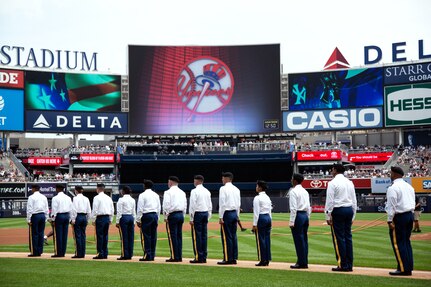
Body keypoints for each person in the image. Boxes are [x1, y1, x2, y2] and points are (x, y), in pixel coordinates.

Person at [324, 163, 357, 272]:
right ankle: (349, 264)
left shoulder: (332, 183)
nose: (331, 172)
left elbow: (330, 201)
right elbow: (354, 200)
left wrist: (327, 215)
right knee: (348, 237)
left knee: (339, 238)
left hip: (338, 210)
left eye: (332, 170)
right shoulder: (349, 182)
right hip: (349, 209)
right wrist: (353, 215)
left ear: (335, 170)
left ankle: (343, 264)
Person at [385, 166, 415, 276]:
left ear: (395, 174)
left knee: (398, 243)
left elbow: (391, 205)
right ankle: (408, 267)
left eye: (391, 173)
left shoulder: (393, 187)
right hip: (409, 215)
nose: (390, 175)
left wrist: (389, 220)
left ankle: (402, 269)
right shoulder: (409, 186)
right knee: (406, 242)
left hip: (399, 217)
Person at [217, 172, 241, 265]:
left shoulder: (223, 189)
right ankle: (234, 257)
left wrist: (220, 216)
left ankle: (227, 258)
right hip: (234, 213)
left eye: (223, 178)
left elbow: (222, 203)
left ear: (227, 179)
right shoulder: (236, 189)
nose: (222, 180)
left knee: (226, 237)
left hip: (227, 213)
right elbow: (238, 204)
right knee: (233, 236)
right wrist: (237, 215)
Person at [289, 173, 311, 269]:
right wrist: (308, 218)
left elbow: (293, 208)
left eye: (292, 178)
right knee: (304, 239)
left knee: (298, 240)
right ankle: (304, 261)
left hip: (298, 215)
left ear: (295, 180)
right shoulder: (305, 191)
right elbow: (309, 207)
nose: (291, 180)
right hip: (305, 215)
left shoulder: (293, 191)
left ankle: (301, 262)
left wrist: (291, 221)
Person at [162, 176, 187, 262]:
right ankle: (179, 256)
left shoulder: (168, 192)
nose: (168, 184)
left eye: (168, 182)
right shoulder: (182, 192)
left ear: (171, 182)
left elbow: (166, 205)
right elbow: (185, 205)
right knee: (179, 236)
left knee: (172, 236)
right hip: (180, 214)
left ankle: (174, 256)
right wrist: (183, 215)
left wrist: (165, 216)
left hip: (173, 215)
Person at [189, 175, 212, 264]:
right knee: (204, 235)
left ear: (197, 181)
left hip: (198, 213)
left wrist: (191, 218)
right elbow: (210, 205)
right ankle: (204, 256)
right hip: (205, 212)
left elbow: (192, 205)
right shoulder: (207, 191)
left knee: (197, 236)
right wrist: (208, 216)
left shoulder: (194, 191)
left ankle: (199, 256)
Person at [137, 180, 161, 261]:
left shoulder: (142, 195)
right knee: (153, 236)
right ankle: (152, 255)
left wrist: (138, 219)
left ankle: (147, 255)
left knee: (146, 236)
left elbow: (140, 208)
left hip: (146, 215)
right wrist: (157, 218)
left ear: (145, 186)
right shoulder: (156, 195)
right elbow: (159, 207)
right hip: (154, 215)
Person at [91, 183, 114, 259]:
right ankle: (105, 253)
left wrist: (93, 219)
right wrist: (111, 219)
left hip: (100, 218)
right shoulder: (108, 198)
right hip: (107, 217)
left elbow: (95, 210)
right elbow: (112, 210)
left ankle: (100, 253)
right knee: (105, 236)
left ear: (98, 189)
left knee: (100, 236)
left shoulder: (96, 198)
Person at [252, 180, 272, 267]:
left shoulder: (257, 198)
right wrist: (270, 220)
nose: (256, 188)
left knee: (261, 239)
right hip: (268, 217)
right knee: (267, 239)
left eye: (257, 186)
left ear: (260, 188)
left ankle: (262, 259)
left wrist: (254, 224)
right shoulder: (267, 197)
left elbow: (256, 212)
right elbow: (270, 210)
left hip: (261, 218)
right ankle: (267, 259)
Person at [50, 184, 72, 257]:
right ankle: (63, 252)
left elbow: (54, 210)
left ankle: (58, 253)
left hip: (59, 216)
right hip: (66, 215)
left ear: (58, 189)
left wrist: (53, 219)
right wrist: (70, 218)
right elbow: (71, 208)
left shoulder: (55, 198)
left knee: (58, 235)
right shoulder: (68, 197)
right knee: (64, 235)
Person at [26, 184, 49, 257]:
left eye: (32, 188)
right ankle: (40, 251)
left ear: (34, 189)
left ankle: (34, 252)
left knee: (34, 234)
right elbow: (46, 208)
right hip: (42, 215)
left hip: (35, 216)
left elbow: (29, 209)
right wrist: (46, 218)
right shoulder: (44, 197)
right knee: (41, 233)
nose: (31, 189)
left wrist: (29, 219)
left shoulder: (31, 197)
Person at [70, 185, 91, 258]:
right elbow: (89, 210)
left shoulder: (75, 198)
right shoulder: (86, 198)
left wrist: (73, 219)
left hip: (78, 216)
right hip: (84, 217)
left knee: (77, 236)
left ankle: (78, 253)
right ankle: (83, 253)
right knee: (83, 235)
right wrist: (88, 219)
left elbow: (74, 209)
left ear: (76, 191)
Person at [116, 185, 136, 260]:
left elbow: (119, 211)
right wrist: (134, 221)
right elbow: (134, 211)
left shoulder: (121, 199)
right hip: (131, 217)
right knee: (130, 237)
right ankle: (130, 254)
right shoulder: (133, 199)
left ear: (123, 191)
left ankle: (125, 254)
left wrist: (117, 221)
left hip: (124, 217)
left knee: (124, 237)